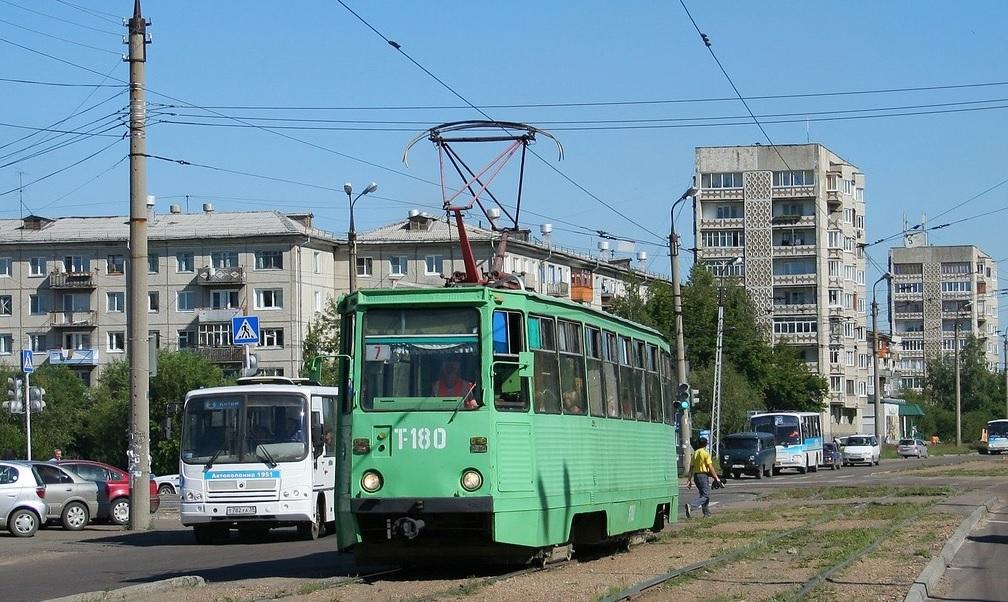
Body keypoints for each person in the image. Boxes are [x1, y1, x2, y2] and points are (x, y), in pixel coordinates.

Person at [684, 437, 721, 518]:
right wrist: (716, 478)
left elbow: (691, 467)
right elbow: (710, 466)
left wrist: (689, 480)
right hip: (703, 476)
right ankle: (691, 506)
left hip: (696, 476)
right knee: (705, 495)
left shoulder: (695, 453)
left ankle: (706, 513)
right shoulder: (705, 453)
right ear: (705, 444)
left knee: (703, 494)